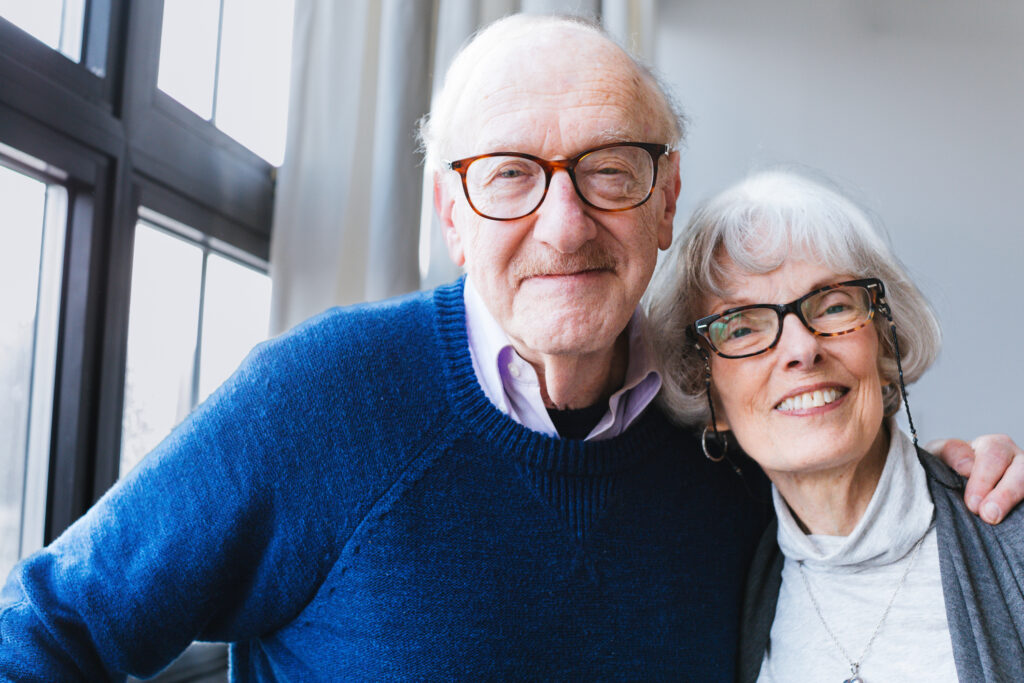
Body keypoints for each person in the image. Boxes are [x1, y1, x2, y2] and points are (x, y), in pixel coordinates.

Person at [1, 15, 1021, 681]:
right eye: (509, 176)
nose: (565, 225)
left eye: (609, 171)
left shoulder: (714, 446)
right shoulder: (322, 398)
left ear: (664, 201)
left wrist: (958, 478)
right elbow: (43, 628)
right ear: (451, 206)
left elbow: (849, 503)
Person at [646, 169, 1024, 682]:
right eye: (741, 327)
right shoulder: (722, 587)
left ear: (883, 339)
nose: (803, 349)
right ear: (704, 386)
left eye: (835, 306)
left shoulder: (1009, 532)